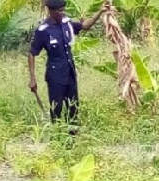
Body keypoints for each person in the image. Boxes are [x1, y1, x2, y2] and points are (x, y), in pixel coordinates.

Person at [28, 0, 109, 134]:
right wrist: (32, 78)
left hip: (70, 73)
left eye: (63, 10)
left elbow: (85, 26)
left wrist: (100, 11)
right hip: (55, 76)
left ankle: (72, 138)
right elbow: (32, 54)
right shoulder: (43, 30)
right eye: (59, 11)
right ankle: (57, 137)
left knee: (73, 107)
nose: (62, 12)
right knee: (57, 108)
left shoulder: (67, 24)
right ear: (51, 11)